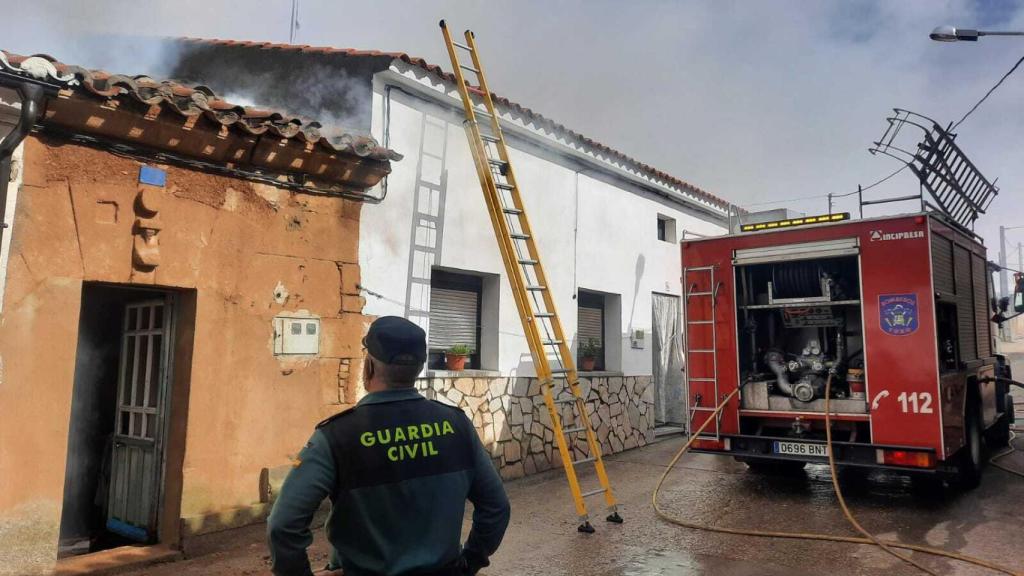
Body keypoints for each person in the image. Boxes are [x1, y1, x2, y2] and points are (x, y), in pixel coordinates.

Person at [268, 316, 511, 576]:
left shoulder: (336, 436)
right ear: (420, 368)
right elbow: (496, 507)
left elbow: (283, 525)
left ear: (369, 366)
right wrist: (468, 563)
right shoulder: (457, 426)